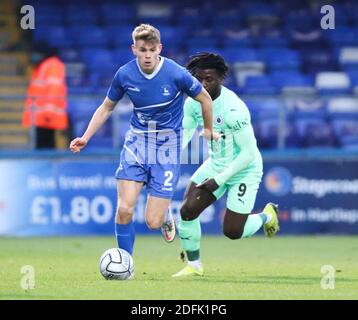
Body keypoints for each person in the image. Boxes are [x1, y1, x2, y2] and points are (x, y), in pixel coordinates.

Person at [69, 25, 219, 270]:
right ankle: (125, 265)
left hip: (167, 147)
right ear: (134, 49)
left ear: (159, 48)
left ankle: (164, 217)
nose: (147, 55)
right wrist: (86, 137)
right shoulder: (124, 74)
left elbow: (204, 97)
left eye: (151, 49)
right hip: (137, 143)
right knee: (125, 209)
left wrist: (209, 129)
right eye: (142, 50)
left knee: (152, 221)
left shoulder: (176, 73)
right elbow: (107, 106)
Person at [172, 53, 280, 278]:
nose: (203, 84)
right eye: (198, 79)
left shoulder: (234, 110)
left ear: (221, 78)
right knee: (187, 210)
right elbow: (184, 134)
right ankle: (194, 265)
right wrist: (166, 159)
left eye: (209, 79)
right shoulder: (193, 103)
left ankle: (266, 215)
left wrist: (219, 180)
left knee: (232, 231)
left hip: (245, 168)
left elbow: (249, 154)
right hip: (217, 163)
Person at [22, 43, 68, 149]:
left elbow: (54, 90)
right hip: (41, 117)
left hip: (46, 117)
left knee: (46, 148)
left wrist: (49, 114)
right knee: (43, 147)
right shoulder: (44, 65)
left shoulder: (52, 65)